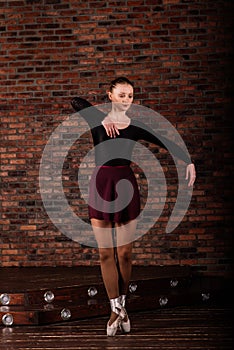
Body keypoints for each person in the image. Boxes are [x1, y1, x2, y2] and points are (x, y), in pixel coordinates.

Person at [71, 77, 196, 336]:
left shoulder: (135, 126)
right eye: (122, 95)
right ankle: (115, 309)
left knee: (125, 254)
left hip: (126, 185)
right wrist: (103, 118)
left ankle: (122, 306)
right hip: (101, 185)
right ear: (110, 95)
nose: (127, 100)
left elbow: (165, 141)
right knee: (106, 253)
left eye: (130, 96)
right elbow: (75, 101)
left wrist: (188, 161)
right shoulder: (97, 120)